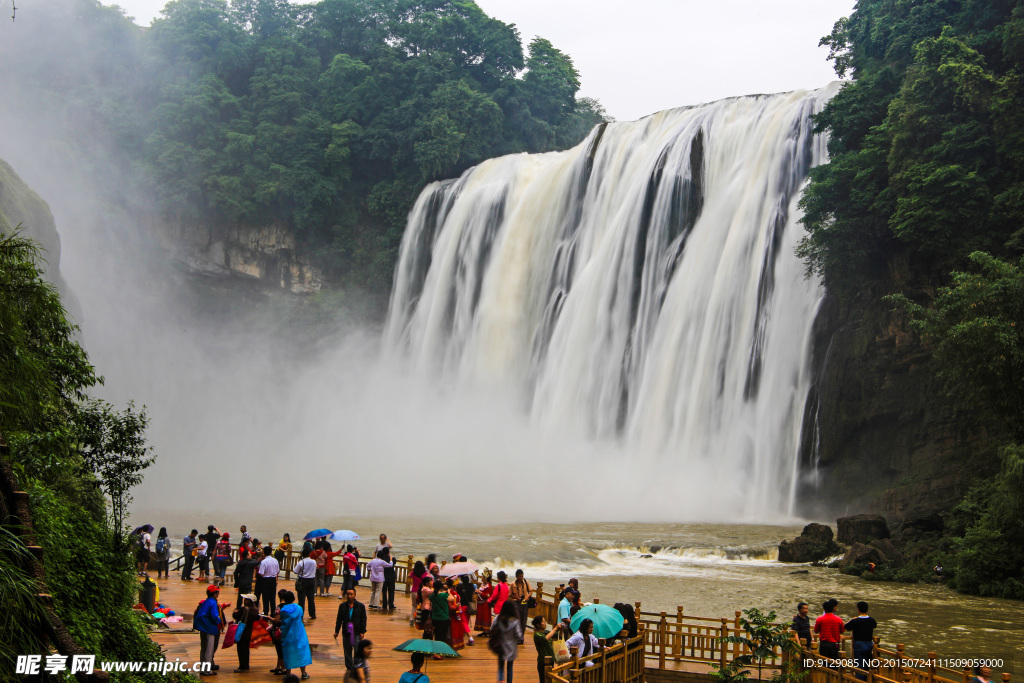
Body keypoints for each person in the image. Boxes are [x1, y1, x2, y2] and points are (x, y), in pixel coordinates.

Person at [276, 590, 311, 680]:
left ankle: (288, 674)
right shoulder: (299, 608)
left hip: (288, 634)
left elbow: (283, 621)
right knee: (301, 652)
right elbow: (301, 617)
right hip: (299, 633)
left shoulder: (283, 610)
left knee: (288, 653)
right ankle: (303, 673)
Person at [335, 587, 368, 670]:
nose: (349, 596)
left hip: (356, 632)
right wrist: (336, 631)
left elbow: (363, 620)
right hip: (346, 632)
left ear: (355, 595)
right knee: (347, 652)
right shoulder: (342, 606)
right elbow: (339, 620)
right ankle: (349, 668)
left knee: (357, 651)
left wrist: (362, 632)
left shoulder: (361, 606)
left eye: (351, 594)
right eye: (348, 594)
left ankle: (357, 666)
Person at [195, 585, 224, 676]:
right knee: (209, 650)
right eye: (217, 592)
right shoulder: (213, 603)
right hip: (210, 628)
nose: (218, 594)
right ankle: (207, 670)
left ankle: (203, 668)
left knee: (203, 649)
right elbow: (214, 616)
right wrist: (220, 620)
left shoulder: (206, 601)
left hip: (203, 627)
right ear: (214, 594)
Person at [490, 601, 521, 683]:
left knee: (501, 666)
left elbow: (491, 629)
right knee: (510, 667)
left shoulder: (498, 618)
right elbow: (519, 635)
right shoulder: (515, 621)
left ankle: (501, 680)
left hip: (500, 646)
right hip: (511, 647)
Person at [845, 601, 877, 679]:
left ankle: (860, 680)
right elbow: (874, 626)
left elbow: (845, 627)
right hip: (869, 644)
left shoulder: (855, 621)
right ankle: (867, 680)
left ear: (858, 610)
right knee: (867, 665)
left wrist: (852, 619)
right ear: (867, 610)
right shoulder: (872, 621)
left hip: (859, 644)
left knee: (859, 666)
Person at [533, 615, 567, 683]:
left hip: (551, 660)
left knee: (550, 679)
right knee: (543, 680)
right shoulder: (537, 635)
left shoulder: (545, 632)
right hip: (543, 661)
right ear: (538, 624)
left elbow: (558, 636)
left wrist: (561, 629)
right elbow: (546, 638)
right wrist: (555, 628)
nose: (545, 623)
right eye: (543, 621)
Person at [232, 593, 259, 673]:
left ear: (250, 601)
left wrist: (235, 612)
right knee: (246, 649)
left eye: (246, 599)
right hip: (249, 631)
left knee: (241, 649)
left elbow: (236, 616)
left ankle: (242, 666)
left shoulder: (244, 609)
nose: (244, 600)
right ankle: (246, 665)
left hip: (242, 631)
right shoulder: (255, 610)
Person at [294, 546, 318, 619]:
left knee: (301, 599)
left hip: (303, 581)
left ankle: (301, 615)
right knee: (311, 598)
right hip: (312, 580)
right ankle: (312, 614)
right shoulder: (313, 561)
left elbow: (295, 571)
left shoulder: (301, 562)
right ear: (309, 554)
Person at [258, 545, 281, 616]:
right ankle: (273, 612)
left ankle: (266, 611)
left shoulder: (263, 562)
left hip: (265, 579)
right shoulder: (275, 560)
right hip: (273, 579)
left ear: (264, 553)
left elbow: (261, 573)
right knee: (272, 596)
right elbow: (278, 571)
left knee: (265, 596)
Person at [510, 570, 531, 645]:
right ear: (516, 576)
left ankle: (521, 637)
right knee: (517, 620)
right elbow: (510, 594)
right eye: (520, 576)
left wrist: (527, 597)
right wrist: (516, 597)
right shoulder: (513, 584)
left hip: (524, 602)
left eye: (522, 576)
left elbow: (531, 591)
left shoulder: (526, 582)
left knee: (524, 620)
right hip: (516, 602)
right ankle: (517, 637)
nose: (521, 578)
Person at [429, 575, 451, 646]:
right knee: (442, 635)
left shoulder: (432, 596)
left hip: (435, 617)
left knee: (437, 634)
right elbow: (452, 599)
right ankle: (439, 652)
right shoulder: (444, 595)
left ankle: (436, 650)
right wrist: (449, 592)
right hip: (443, 617)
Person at [455, 575, 477, 645]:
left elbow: (456, 594)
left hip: (462, 606)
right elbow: (473, 593)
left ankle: (470, 638)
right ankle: (462, 638)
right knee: (466, 622)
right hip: (469, 606)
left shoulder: (459, 586)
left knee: (463, 622)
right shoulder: (472, 586)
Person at [446, 578, 466, 650]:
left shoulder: (445, 592)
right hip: (454, 616)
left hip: (446, 615)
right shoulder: (454, 595)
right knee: (453, 632)